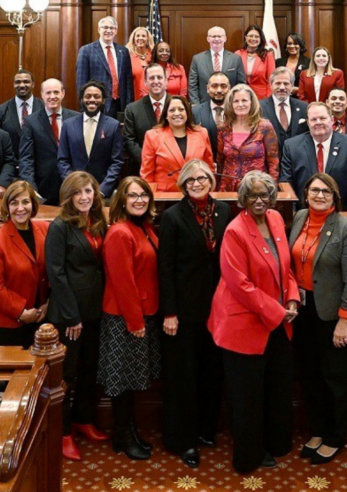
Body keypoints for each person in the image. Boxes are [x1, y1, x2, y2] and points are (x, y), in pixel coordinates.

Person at [208, 171, 298, 474]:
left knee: (276, 388)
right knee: (247, 396)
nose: (259, 200)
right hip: (243, 323)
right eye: (252, 196)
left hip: (277, 320)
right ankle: (248, 456)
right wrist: (277, 311)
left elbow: (285, 266)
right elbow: (239, 285)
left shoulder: (276, 219)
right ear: (243, 199)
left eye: (264, 195)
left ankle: (274, 443)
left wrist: (292, 299)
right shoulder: (235, 230)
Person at [158, 160, 231, 469]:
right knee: (183, 377)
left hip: (217, 308)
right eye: (191, 180)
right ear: (183, 185)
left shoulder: (223, 211)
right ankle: (182, 439)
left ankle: (205, 429)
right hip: (183, 311)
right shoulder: (173, 216)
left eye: (202, 178)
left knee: (210, 372)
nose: (198, 183)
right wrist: (170, 311)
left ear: (211, 181)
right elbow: (165, 268)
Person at [289, 173, 347, 465]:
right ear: (306, 193)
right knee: (310, 375)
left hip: (332, 315)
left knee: (334, 378)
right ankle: (317, 430)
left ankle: (334, 436)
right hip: (302, 311)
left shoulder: (345, 227)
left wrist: (345, 319)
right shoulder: (300, 217)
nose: (319, 196)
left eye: (326, 192)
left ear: (334, 197)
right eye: (315, 190)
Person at [45, 172, 110, 462]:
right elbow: (56, 273)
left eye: (88, 191)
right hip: (69, 315)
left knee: (89, 369)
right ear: (68, 197)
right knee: (67, 375)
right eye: (77, 193)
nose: (84, 197)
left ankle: (84, 419)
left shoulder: (96, 221)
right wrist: (72, 317)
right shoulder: (60, 226)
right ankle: (63, 432)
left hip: (95, 309)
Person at [99, 177, 162, 461]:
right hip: (124, 318)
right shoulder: (119, 232)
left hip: (142, 312)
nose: (139, 200)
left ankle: (130, 432)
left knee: (132, 378)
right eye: (133, 195)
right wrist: (135, 322)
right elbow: (122, 282)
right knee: (122, 381)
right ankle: (122, 436)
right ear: (122, 201)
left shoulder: (144, 227)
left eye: (143, 195)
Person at [0, 180, 49, 347]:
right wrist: (21, 312)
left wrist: (47, 304)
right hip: (6, 324)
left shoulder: (45, 229)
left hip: (38, 318)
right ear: (7, 207)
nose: (20, 208)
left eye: (25, 202)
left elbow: (51, 272)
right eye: (14, 203)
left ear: (33, 204)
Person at [281, 102, 347, 207]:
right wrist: (293, 212)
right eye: (313, 119)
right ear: (308, 123)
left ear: (332, 120)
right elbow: (286, 183)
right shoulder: (292, 146)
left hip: (342, 212)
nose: (318, 122)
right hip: (304, 212)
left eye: (323, 118)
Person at [17, 78, 79, 205]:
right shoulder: (31, 121)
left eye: (56, 92)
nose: (52, 96)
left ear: (63, 93)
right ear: (42, 95)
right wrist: (31, 189)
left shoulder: (76, 118)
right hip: (43, 187)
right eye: (48, 92)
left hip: (72, 185)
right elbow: (26, 159)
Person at [57, 81, 124, 198]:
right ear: (81, 100)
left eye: (96, 96)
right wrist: (73, 186)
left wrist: (102, 190)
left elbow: (116, 162)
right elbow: (63, 160)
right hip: (74, 192)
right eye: (88, 96)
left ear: (103, 100)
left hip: (102, 193)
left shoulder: (113, 125)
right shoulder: (68, 125)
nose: (92, 100)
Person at [140, 95, 214, 192]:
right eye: (172, 110)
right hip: (165, 195)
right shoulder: (152, 136)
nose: (177, 113)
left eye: (181, 109)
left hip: (196, 193)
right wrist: (149, 197)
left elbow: (209, 169)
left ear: (187, 113)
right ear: (166, 114)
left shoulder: (202, 133)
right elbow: (147, 174)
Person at [216, 84, 280, 192]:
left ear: (251, 102)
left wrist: (272, 188)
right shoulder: (223, 128)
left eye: (244, 100)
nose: (240, 104)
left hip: (256, 188)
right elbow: (220, 160)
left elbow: (273, 161)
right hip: (227, 188)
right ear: (231, 104)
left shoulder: (264, 126)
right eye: (236, 101)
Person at [75, 16, 134, 119]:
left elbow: (128, 82)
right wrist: (84, 108)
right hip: (97, 104)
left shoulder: (123, 51)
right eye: (105, 27)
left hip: (120, 105)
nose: (108, 31)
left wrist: (129, 106)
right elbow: (81, 82)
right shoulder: (86, 50)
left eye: (112, 28)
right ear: (99, 29)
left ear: (116, 31)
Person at [123, 63, 168, 175]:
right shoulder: (132, 109)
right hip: (142, 169)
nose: (156, 81)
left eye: (159, 77)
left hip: (173, 169)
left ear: (166, 81)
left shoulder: (178, 106)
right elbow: (129, 141)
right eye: (151, 78)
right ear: (145, 82)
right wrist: (148, 161)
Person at [188, 26, 246, 106]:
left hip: (229, 105)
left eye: (219, 36)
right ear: (208, 39)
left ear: (225, 38)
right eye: (213, 36)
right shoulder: (197, 59)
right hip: (204, 105)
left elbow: (241, 84)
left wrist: (237, 103)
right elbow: (192, 85)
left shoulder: (236, 59)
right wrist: (196, 106)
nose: (216, 39)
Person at [0, 70, 44, 157]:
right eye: (18, 82)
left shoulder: (45, 108)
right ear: (13, 85)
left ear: (33, 84)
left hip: (39, 162)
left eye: (26, 82)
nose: (22, 85)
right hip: (11, 162)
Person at [260, 67, 308, 157]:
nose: (282, 87)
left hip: (298, 160)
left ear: (292, 85)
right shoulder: (259, 108)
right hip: (269, 160)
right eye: (278, 83)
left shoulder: (304, 107)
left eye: (286, 83)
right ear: (271, 84)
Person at [192, 72, 231, 155]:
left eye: (223, 86)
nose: (219, 90)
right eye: (214, 86)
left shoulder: (236, 112)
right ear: (208, 88)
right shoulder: (195, 112)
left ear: (229, 88)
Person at [235, 24, 275, 100]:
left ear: (261, 39)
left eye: (257, 36)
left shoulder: (268, 55)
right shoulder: (238, 54)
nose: (253, 39)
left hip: (262, 98)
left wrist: (268, 99)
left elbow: (271, 80)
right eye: (250, 36)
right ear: (245, 37)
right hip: (241, 97)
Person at [126, 26, 155, 100]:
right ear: (133, 39)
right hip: (134, 96)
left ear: (148, 39)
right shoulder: (127, 55)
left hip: (153, 95)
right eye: (138, 36)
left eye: (143, 36)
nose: (140, 38)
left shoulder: (154, 55)